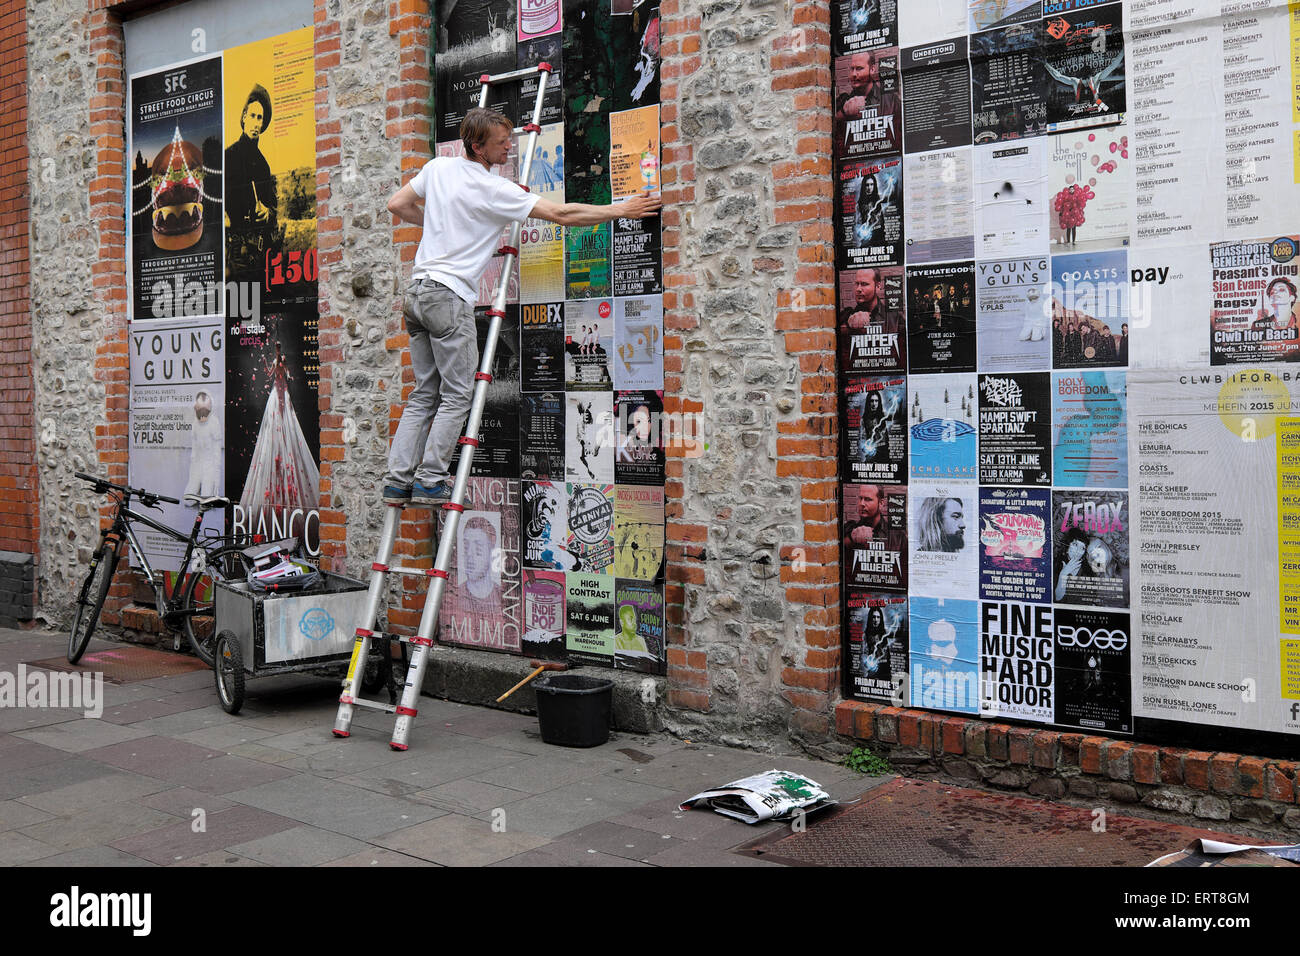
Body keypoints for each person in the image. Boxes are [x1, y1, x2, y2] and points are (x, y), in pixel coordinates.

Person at [382, 108, 660, 504]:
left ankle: (397, 481)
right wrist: (621, 210)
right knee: (459, 394)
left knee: (425, 394)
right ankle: (429, 480)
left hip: (417, 294)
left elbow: (398, 203)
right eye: (500, 142)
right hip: (447, 297)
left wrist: (445, 227)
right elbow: (562, 214)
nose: (509, 147)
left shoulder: (438, 169)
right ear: (477, 146)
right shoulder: (494, 190)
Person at [225, 85, 277, 280]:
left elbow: (273, 208)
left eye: (260, 118)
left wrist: (267, 213)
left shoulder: (264, 166)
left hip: (257, 253)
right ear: (244, 116)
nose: (256, 123)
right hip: (233, 253)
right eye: (253, 116)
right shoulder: (228, 157)